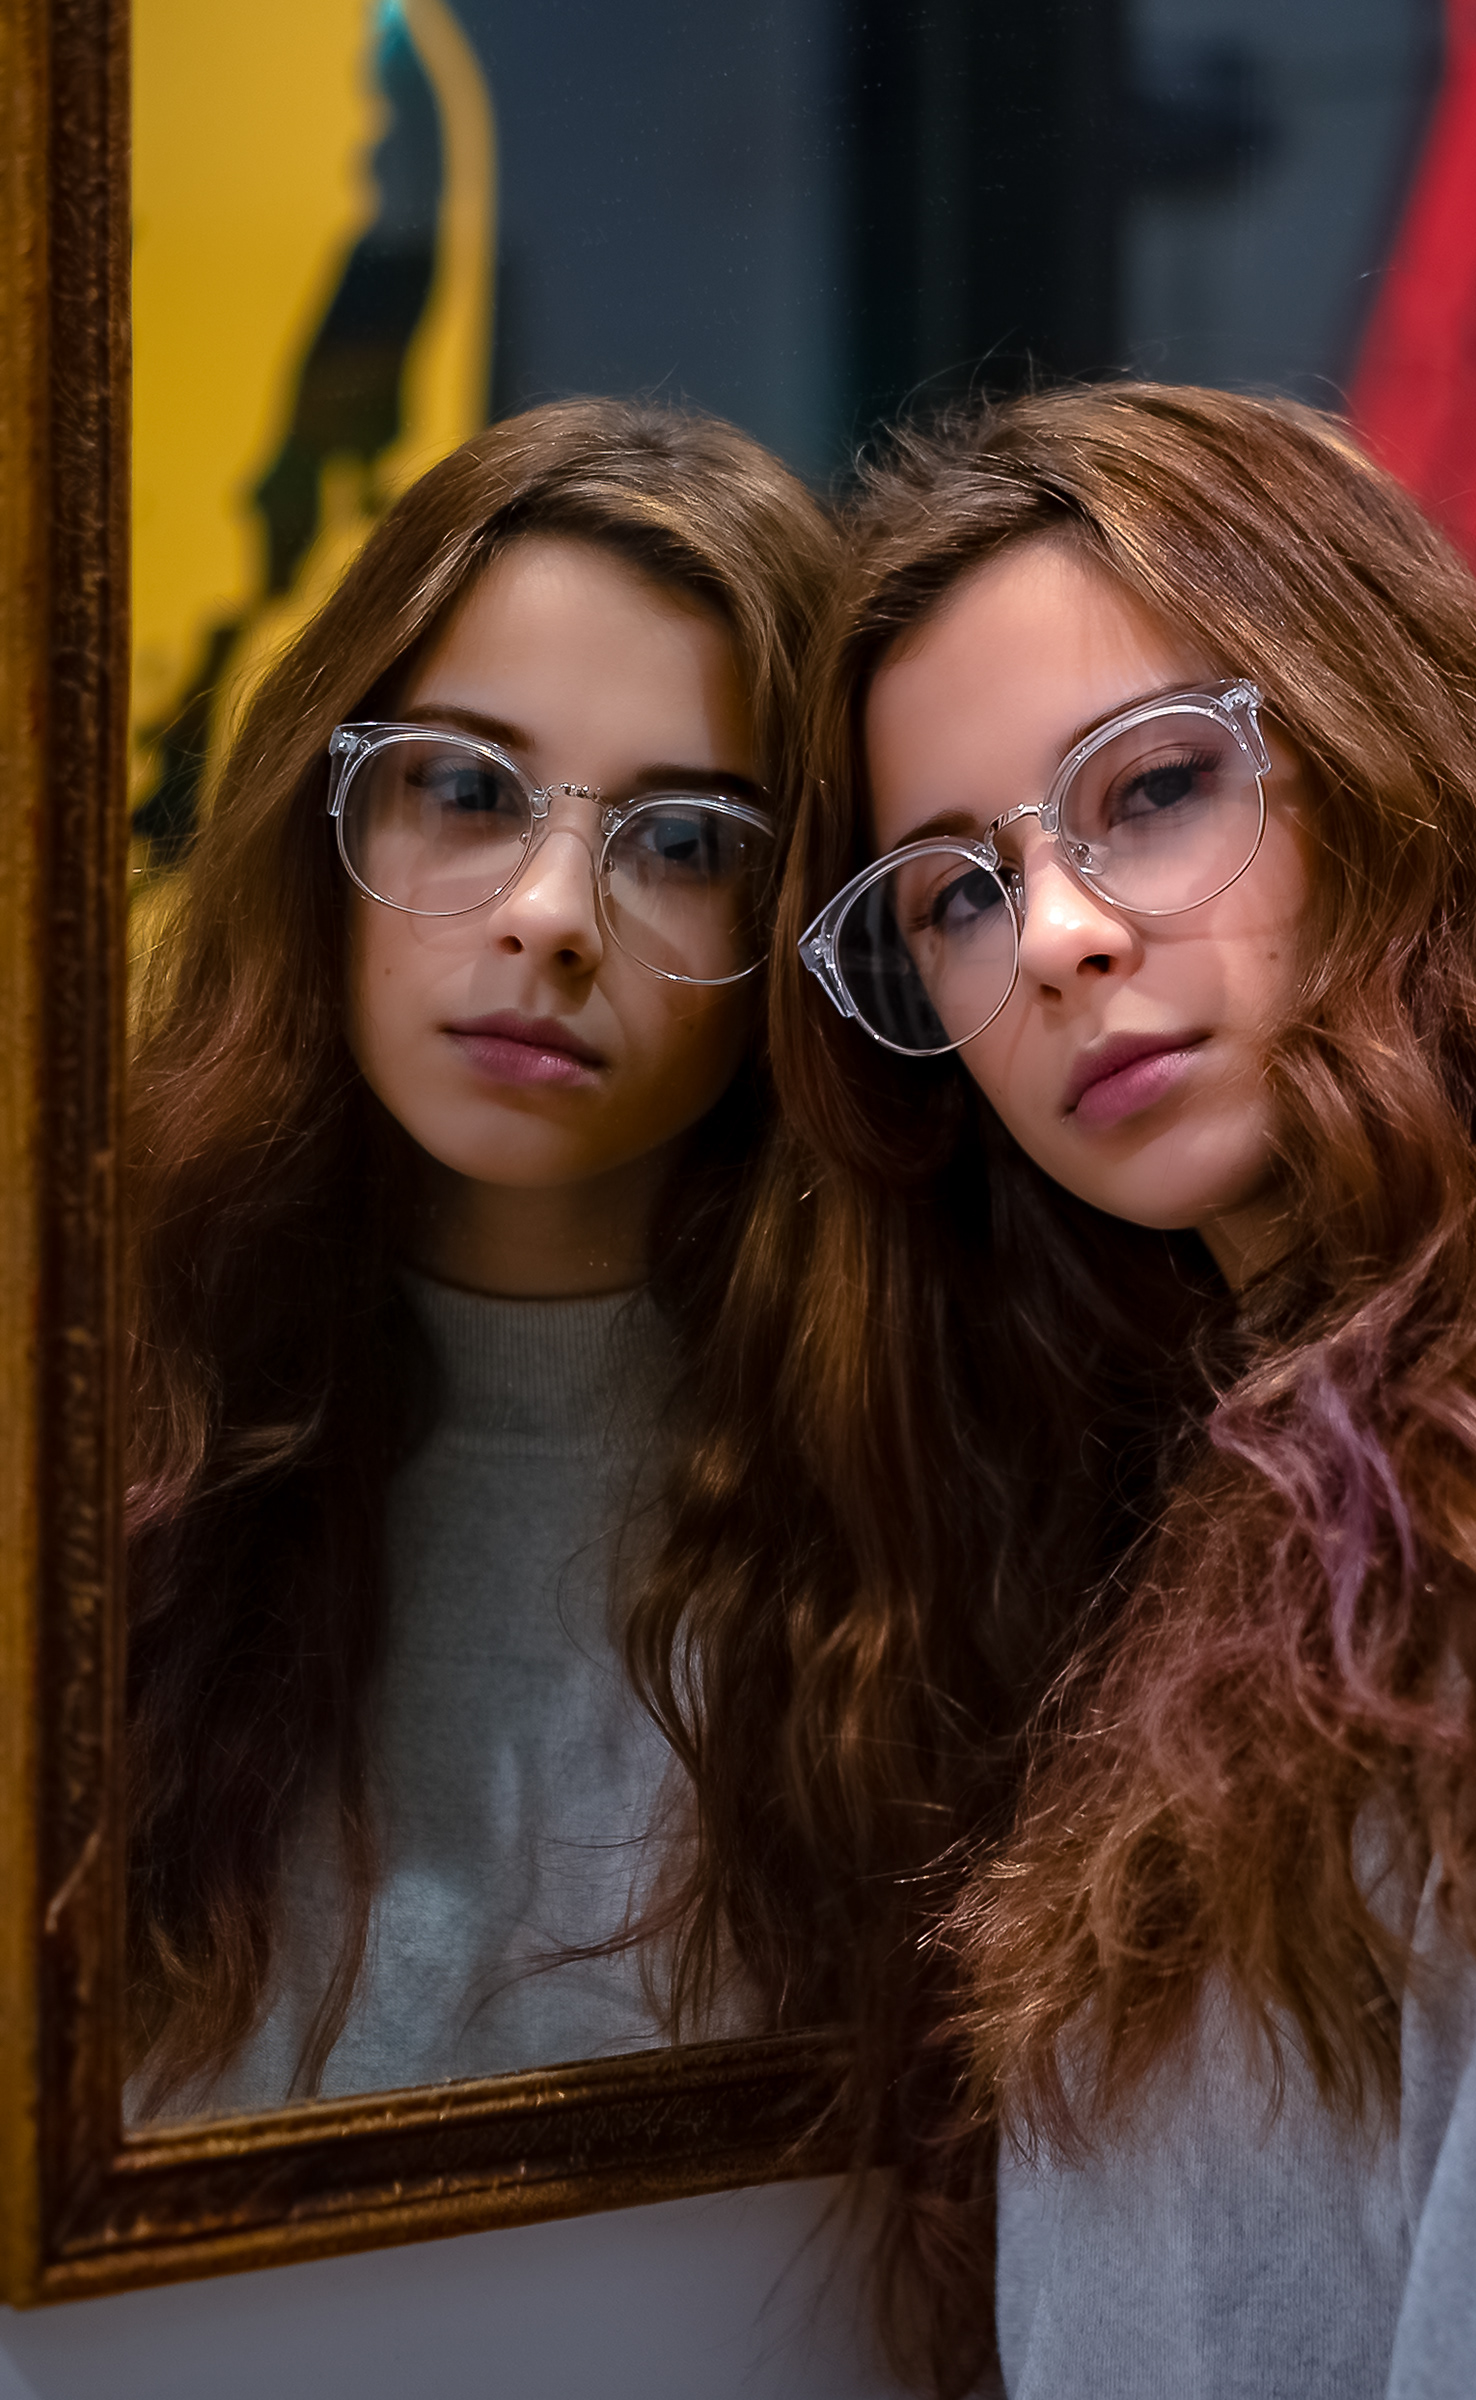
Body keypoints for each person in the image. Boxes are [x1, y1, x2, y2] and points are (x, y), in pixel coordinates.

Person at [633, 384, 1476, 2396]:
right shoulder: (1229, 1490)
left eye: (1153, 789)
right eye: (958, 893)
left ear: (1389, 765)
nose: (1056, 937)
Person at [126, 399, 833, 2116]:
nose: (550, 914)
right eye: (462, 788)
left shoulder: (909, 1486)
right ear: (331, 816)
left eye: (687, 844)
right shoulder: (103, 1401)